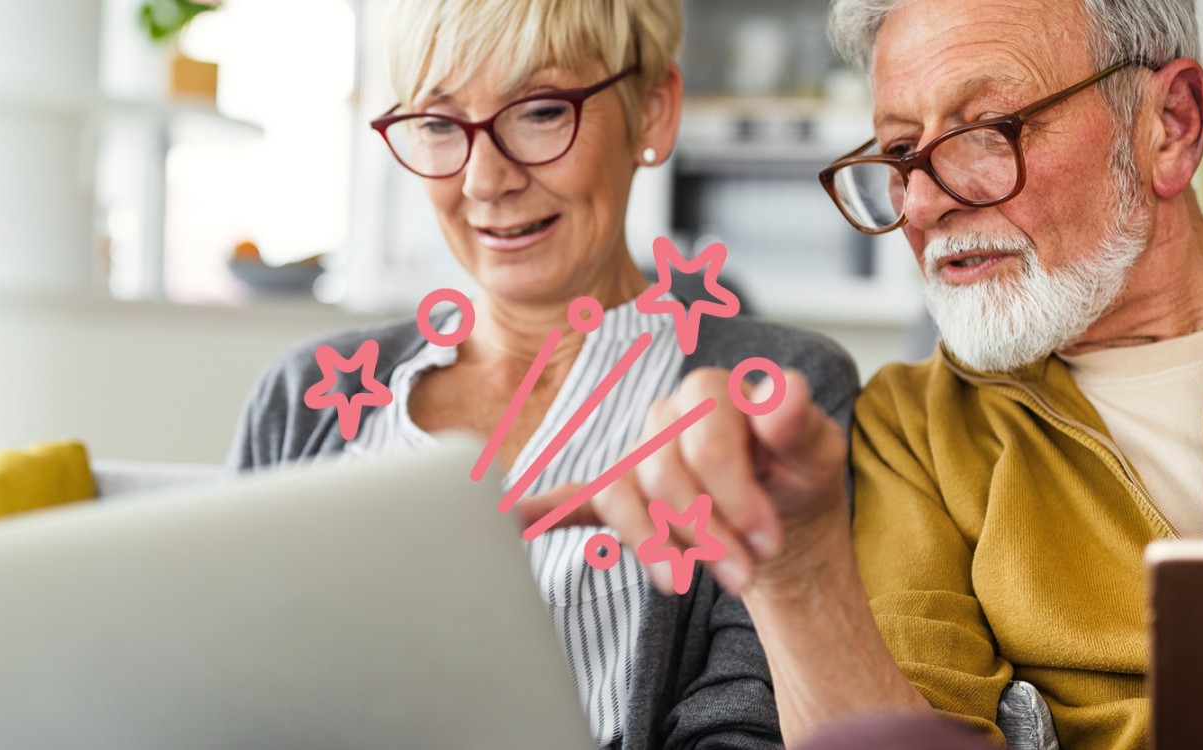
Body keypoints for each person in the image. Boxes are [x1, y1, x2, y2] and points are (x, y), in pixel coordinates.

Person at [523, 0, 1203, 748]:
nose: (919, 205)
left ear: (1169, 123)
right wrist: (797, 574)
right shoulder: (911, 431)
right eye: (898, 152)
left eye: (988, 128)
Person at [226, 0, 859, 747]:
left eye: (538, 112)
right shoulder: (302, 399)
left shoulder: (776, 392)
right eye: (437, 124)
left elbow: (747, 727)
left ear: (651, 112)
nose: (486, 179)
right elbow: (222, 688)